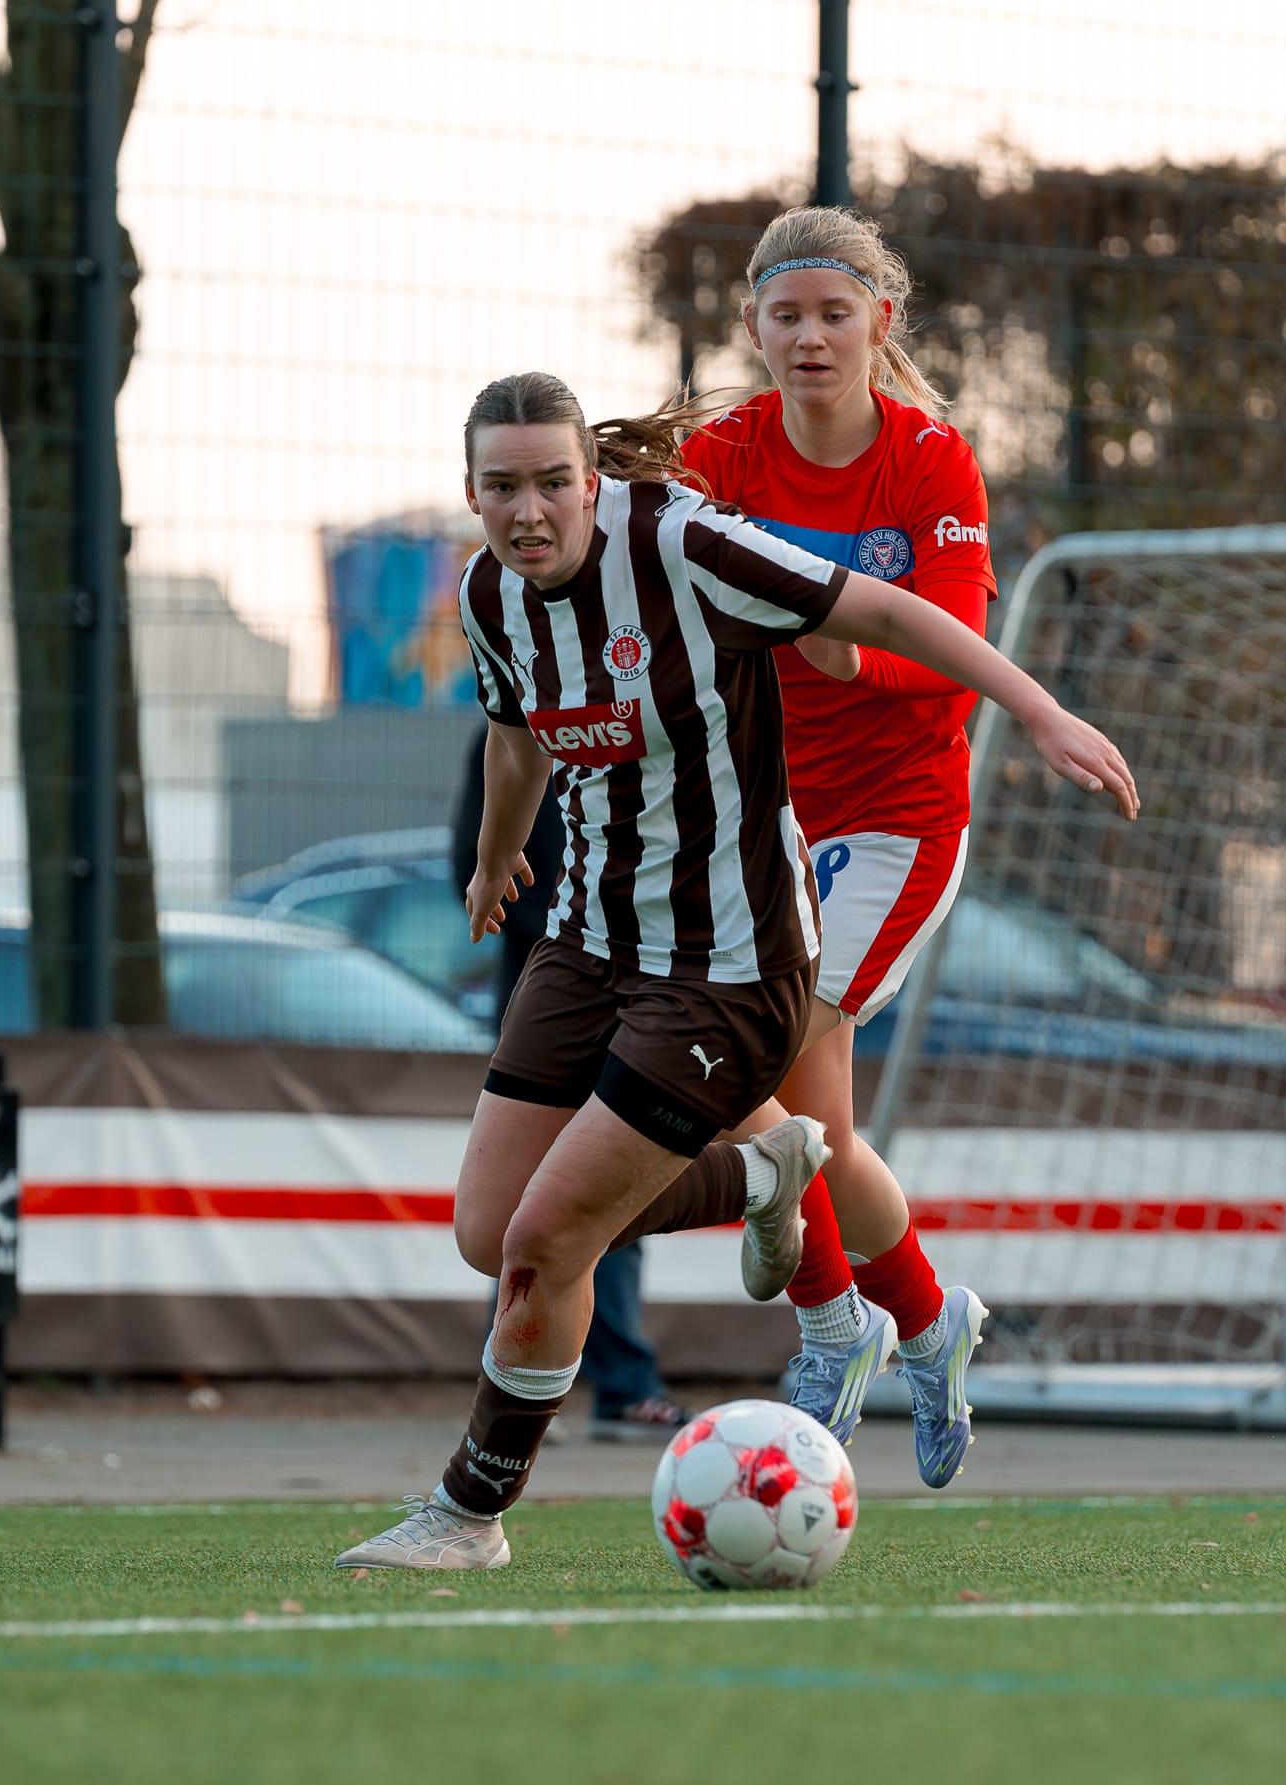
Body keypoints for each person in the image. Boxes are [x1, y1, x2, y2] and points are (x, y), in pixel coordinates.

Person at [335, 368, 1134, 1573]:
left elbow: (888, 611)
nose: (530, 511)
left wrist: (1035, 709)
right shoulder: (491, 593)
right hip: (584, 940)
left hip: (726, 965)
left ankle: (466, 1514)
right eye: (502, 488)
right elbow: (512, 739)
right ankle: (763, 1175)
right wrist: (499, 864)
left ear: (591, 481)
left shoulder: (685, 545)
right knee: (490, 1232)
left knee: (551, 1243)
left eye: (554, 482)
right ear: (472, 495)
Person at [681, 206, 1009, 1485]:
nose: (809, 336)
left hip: (896, 823)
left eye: (834, 312)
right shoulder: (721, 455)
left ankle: (832, 1328)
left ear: (883, 319)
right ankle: (927, 1322)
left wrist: (841, 649)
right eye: (784, 314)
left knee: (765, 1057)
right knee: (815, 1128)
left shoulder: (931, 461)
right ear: (755, 328)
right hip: (767, 818)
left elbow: (954, 661)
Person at [453, 726, 687, 1443]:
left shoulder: (645, 712)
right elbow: (478, 861)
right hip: (552, 990)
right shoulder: (511, 725)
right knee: (524, 1203)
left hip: (643, 985)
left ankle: (593, 1382)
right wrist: (573, 933)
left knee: (607, 1177)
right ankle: (545, 1378)